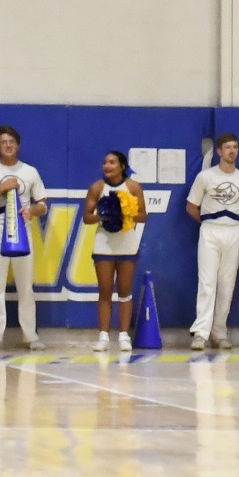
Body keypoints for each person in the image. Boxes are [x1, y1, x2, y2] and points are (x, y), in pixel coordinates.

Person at [0, 125, 48, 351]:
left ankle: (30, 335)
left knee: (25, 284)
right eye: (3, 142)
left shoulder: (30, 171)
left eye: (12, 142)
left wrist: (32, 212)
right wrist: (1, 189)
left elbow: (43, 205)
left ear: (18, 145)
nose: (8, 145)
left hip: (23, 228)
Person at [186, 134, 239, 351]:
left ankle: (219, 332)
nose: (232, 151)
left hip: (233, 231)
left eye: (235, 147)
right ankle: (200, 333)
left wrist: (229, 223)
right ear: (219, 151)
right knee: (207, 282)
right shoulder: (205, 177)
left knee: (227, 283)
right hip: (210, 231)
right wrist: (209, 222)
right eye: (227, 147)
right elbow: (191, 207)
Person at [83, 151, 145, 353]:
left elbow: (143, 216)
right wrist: (104, 215)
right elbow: (86, 217)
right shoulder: (97, 187)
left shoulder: (133, 187)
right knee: (105, 290)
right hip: (104, 243)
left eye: (111, 162)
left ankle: (124, 336)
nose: (106, 166)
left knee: (125, 290)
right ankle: (103, 336)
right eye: (104, 162)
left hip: (127, 243)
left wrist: (125, 213)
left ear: (122, 166)